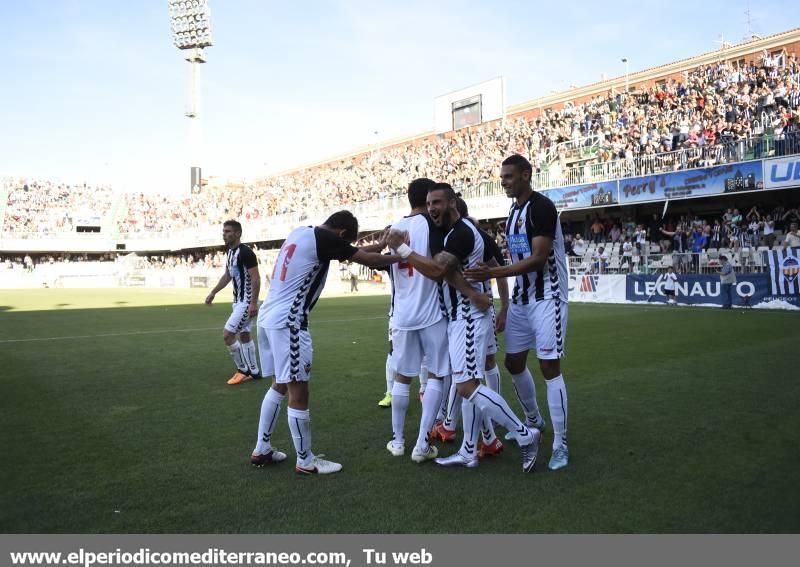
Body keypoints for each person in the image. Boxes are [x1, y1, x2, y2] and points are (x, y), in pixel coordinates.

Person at [386, 183, 540, 472]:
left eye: (438, 202)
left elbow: (436, 271)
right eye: (429, 203)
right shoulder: (455, 232)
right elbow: (451, 273)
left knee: (467, 385)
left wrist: (403, 249)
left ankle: (524, 433)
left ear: (453, 202)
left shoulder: (461, 234)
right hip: (463, 314)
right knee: (468, 383)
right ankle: (469, 449)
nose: (432, 208)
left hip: (467, 317)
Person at [250, 211, 398, 474]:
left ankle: (262, 448)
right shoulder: (325, 239)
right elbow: (372, 260)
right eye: (346, 241)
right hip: (289, 323)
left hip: (268, 318)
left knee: (278, 385)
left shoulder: (303, 232)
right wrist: (409, 256)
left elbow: (357, 250)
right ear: (341, 234)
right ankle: (305, 461)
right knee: (299, 391)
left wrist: (384, 242)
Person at [465, 154, 570, 471]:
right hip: (523, 298)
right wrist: (507, 304)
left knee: (550, 366)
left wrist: (494, 275)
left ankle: (561, 445)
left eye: (509, 176)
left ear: (526, 175)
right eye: (502, 176)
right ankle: (534, 421)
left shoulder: (541, 207)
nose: (504, 181)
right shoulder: (513, 211)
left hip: (548, 297)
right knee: (512, 362)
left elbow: (539, 258)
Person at [204, 220, 262, 385]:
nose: (224, 234)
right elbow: (228, 276)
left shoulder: (246, 253)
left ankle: (242, 370)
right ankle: (254, 371)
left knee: (228, 334)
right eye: (224, 231)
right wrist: (213, 292)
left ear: (237, 234)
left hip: (246, 301)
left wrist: (252, 303)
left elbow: (256, 278)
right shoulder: (230, 252)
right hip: (238, 301)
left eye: (228, 231)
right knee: (244, 335)